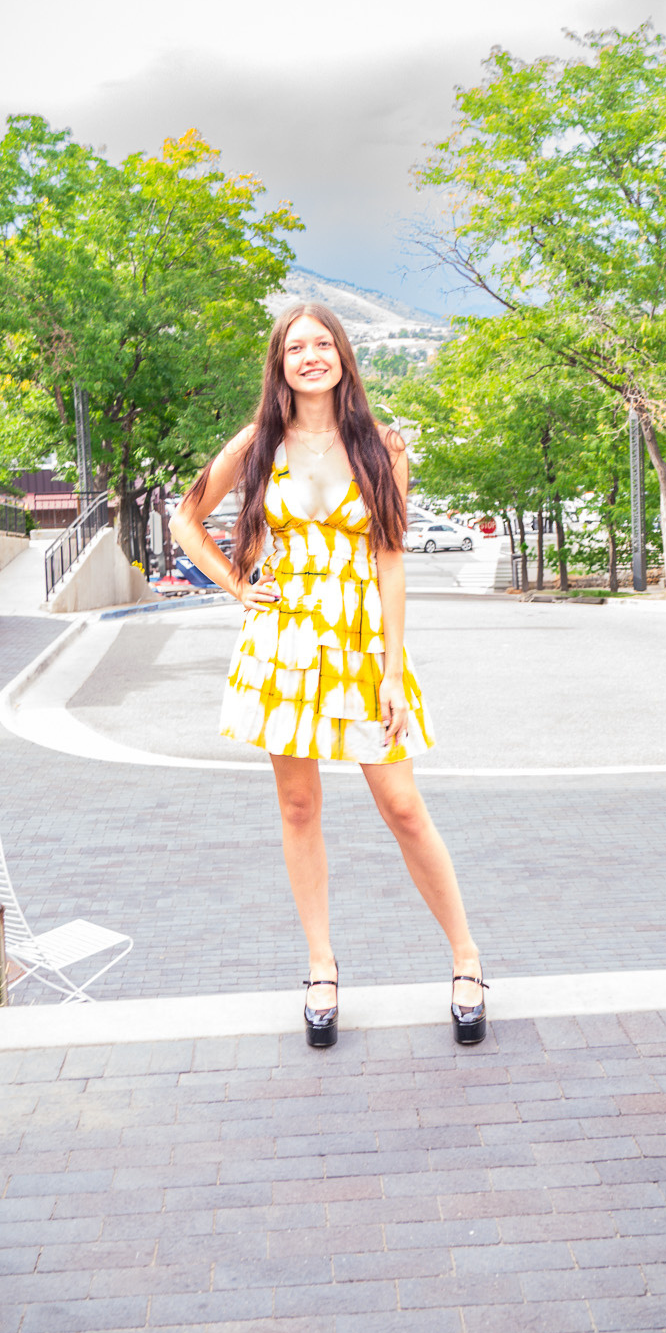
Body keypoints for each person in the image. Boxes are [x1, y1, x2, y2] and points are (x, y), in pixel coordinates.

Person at [170, 302, 486, 1049]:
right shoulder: (259, 442)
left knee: (401, 804)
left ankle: (467, 959)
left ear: (343, 355)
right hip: (282, 644)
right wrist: (236, 585)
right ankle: (320, 966)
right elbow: (185, 517)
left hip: (358, 644)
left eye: (322, 343)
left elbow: (390, 558)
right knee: (299, 806)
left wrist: (390, 665)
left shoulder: (382, 445)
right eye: (294, 346)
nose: (310, 355)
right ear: (278, 363)